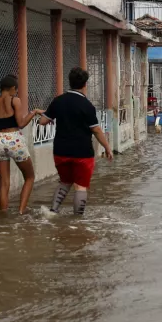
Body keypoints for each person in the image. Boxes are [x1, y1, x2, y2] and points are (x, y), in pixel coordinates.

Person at [38, 67, 113, 215]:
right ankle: (78, 221)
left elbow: (42, 121)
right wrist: (108, 148)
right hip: (82, 152)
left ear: (70, 83)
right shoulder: (87, 106)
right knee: (80, 186)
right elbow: (96, 130)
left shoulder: (58, 101)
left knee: (65, 182)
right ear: (85, 84)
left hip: (61, 151)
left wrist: (48, 115)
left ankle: (53, 211)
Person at [0, 75, 43, 214]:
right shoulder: (14, 100)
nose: (16, 92)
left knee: (4, 183)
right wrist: (34, 112)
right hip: (15, 141)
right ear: (12, 88)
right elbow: (21, 123)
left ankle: (3, 215)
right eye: (16, 90)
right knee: (29, 177)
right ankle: (21, 212)